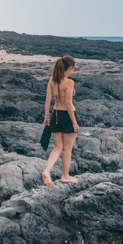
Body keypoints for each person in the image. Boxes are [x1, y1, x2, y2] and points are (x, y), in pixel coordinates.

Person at [42, 55, 79, 186]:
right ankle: (65, 176)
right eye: (74, 68)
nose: (74, 70)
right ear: (69, 67)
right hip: (68, 116)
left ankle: (47, 171)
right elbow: (69, 103)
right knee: (67, 149)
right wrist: (74, 123)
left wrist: (46, 117)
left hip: (55, 115)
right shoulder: (69, 82)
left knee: (58, 147)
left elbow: (47, 100)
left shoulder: (52, 81)